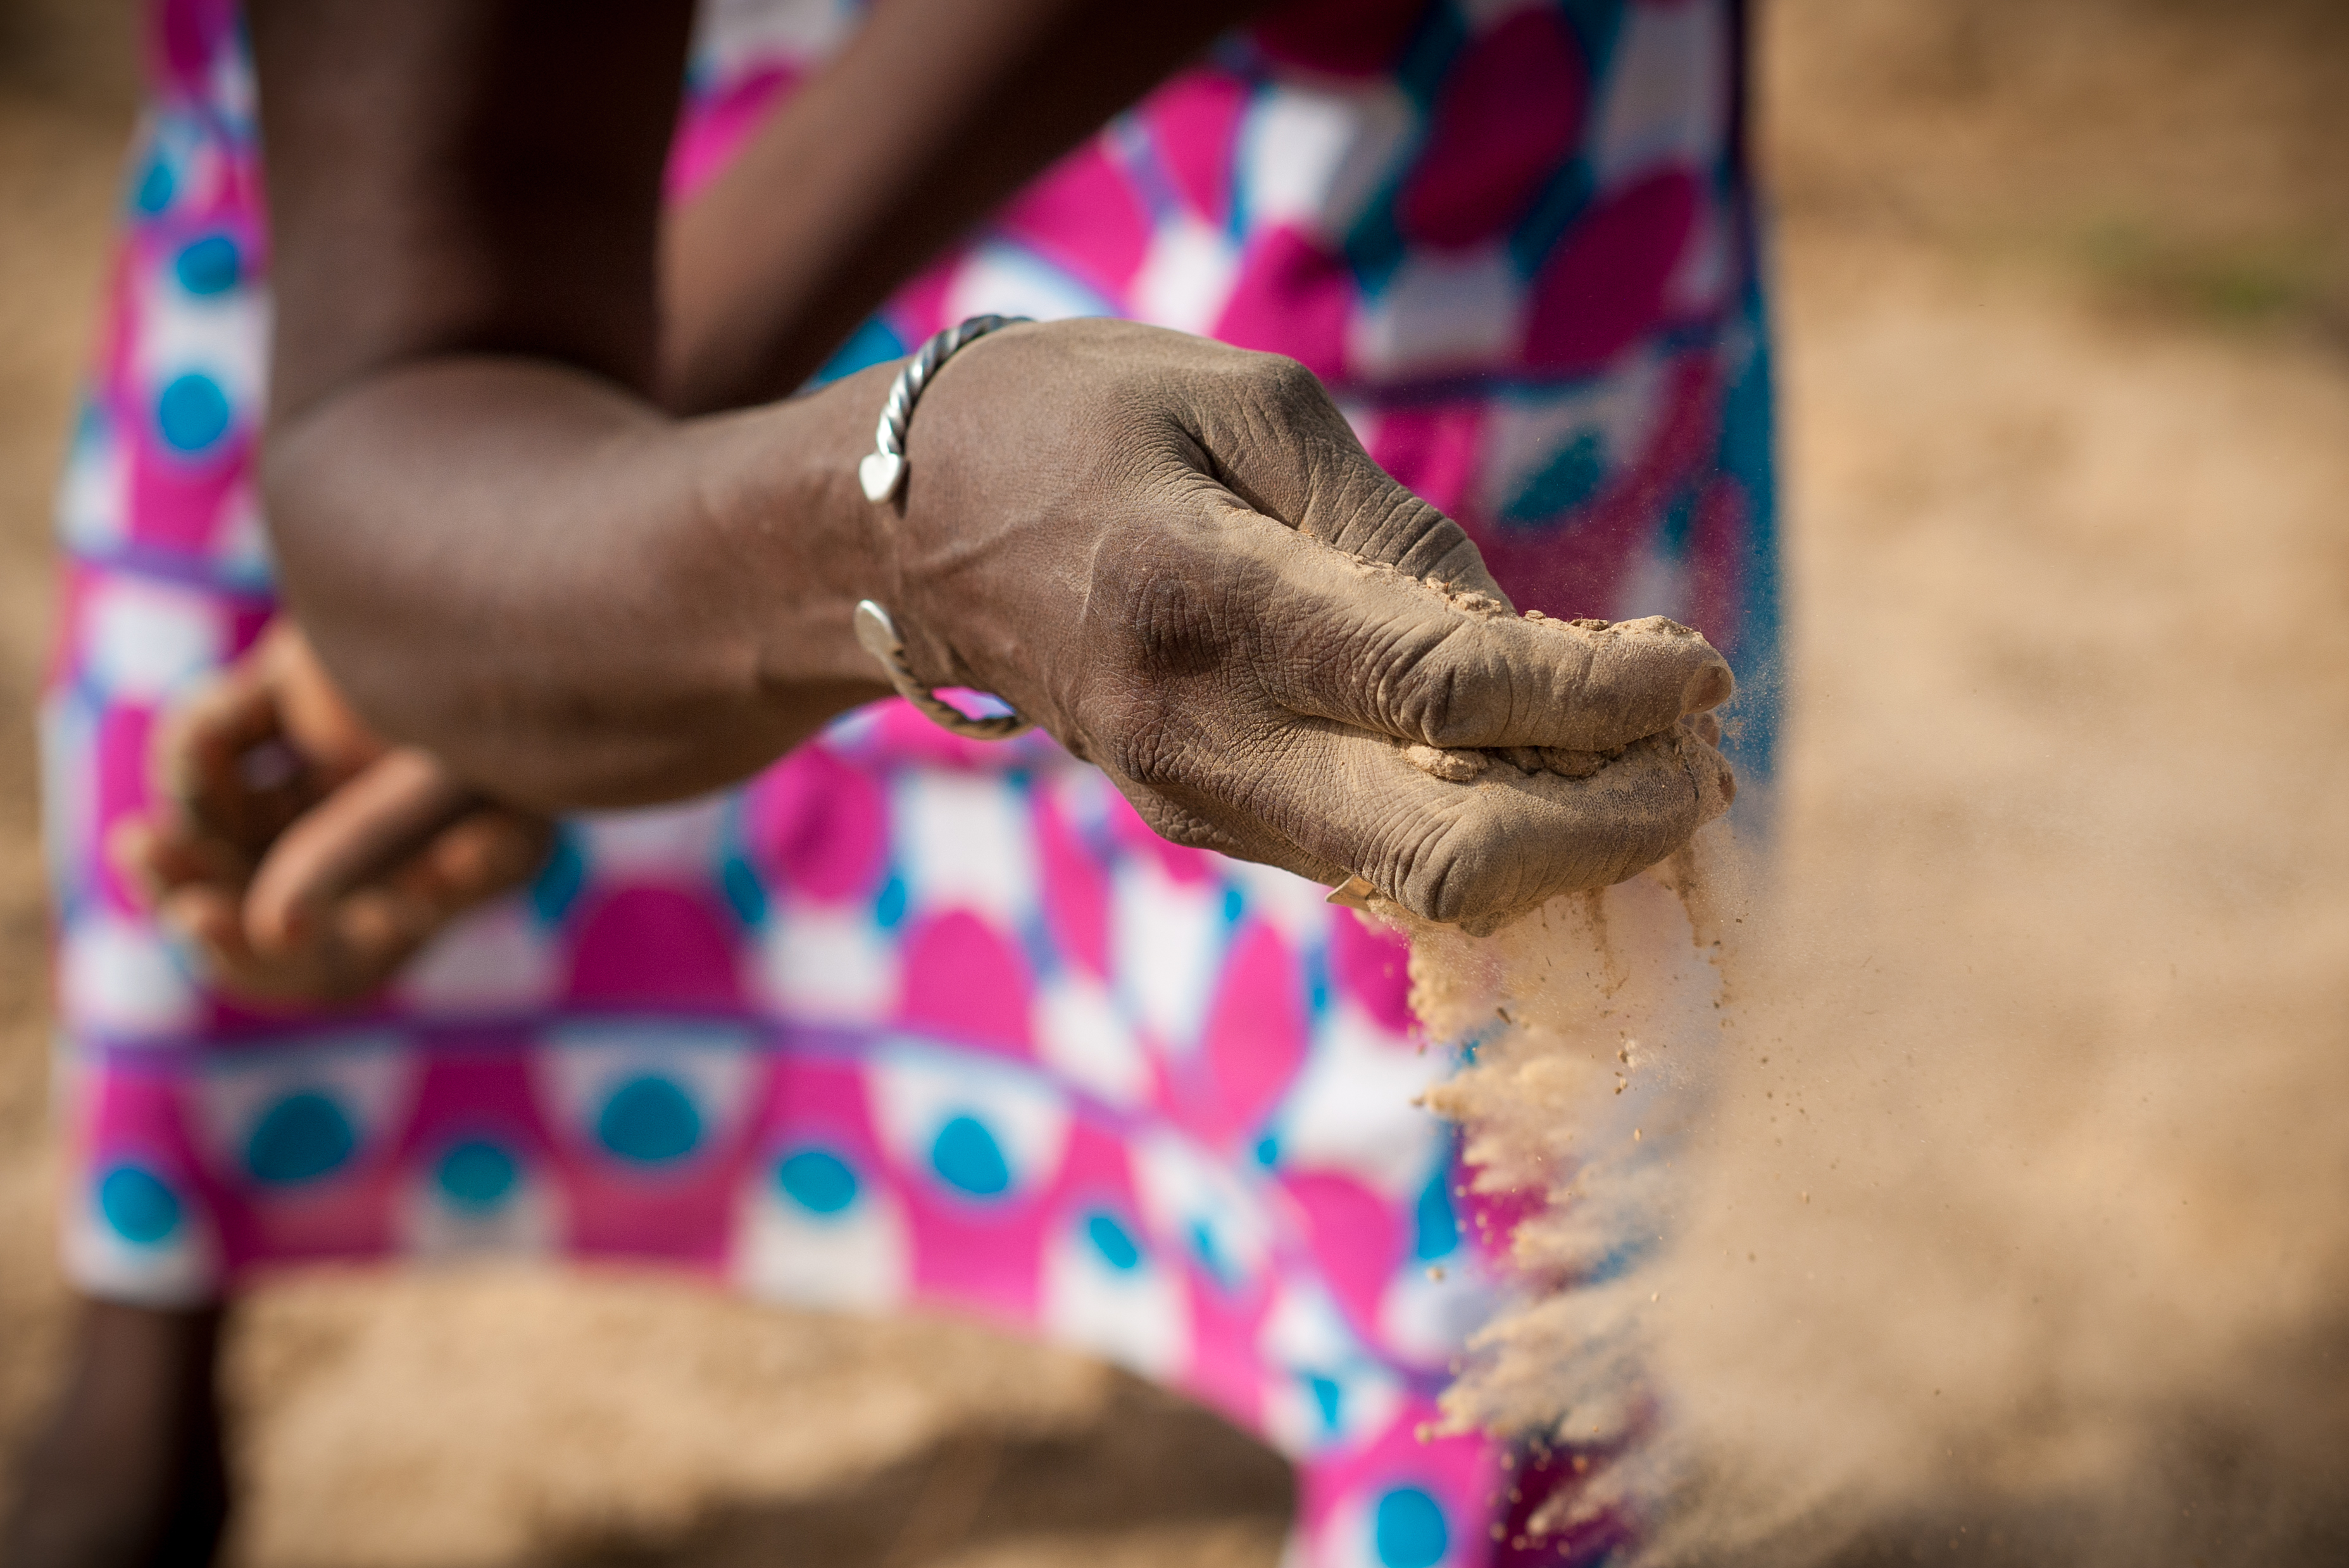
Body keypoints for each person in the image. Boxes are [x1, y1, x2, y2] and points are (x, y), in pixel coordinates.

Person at [6, 0, 1778, 1564]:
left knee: (1452, 1002)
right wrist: (653, 565)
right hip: (590, 184)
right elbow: (416, 374)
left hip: (1362, 122)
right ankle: (144, 1367)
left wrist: (619, 555)